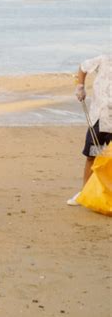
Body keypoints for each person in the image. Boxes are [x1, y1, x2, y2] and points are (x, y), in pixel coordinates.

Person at [67, 54, 111, 206]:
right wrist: (80, 86)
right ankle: (85, 192)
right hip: (98, 119)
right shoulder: (104, 60)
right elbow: (83, 67)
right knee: (93, 155)